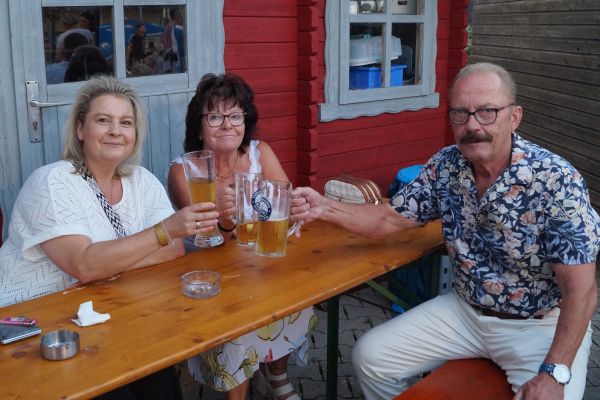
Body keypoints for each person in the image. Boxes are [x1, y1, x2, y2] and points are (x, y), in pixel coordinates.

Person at [290, 62, 599, 400]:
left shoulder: (556, 180)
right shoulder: (446, 165)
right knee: (371, 357)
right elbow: (389, 219)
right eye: (460, 113)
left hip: (537, 325)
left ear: (515, 117)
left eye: (487, 112)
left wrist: (555, 371)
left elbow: (582, 291)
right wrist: (325, 208)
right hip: (465, 312)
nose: (472, 125)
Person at [0, 76, 222, 398]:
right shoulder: (52, 182)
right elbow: (84, 265)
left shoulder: (140, 180)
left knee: (159, 379)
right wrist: (161, 232)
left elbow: (174, 250)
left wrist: (109, 261)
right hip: (33, 326)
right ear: (80, 129)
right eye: (103, 120)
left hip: (108, 313)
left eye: (126, 122)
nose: (116, 130)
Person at [168, 73, 317, 400]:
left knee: (295, 300)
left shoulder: (261, 153)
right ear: (199, 127)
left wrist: (295, 209)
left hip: (259, 262)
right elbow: (207, 237)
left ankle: (277, 376)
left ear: (245, 121)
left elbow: (283, 207)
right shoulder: (183, 170)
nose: (227, 125)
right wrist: (225, 220)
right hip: (209, 272)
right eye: (215, 117)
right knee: (239, 327)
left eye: (235, 116)